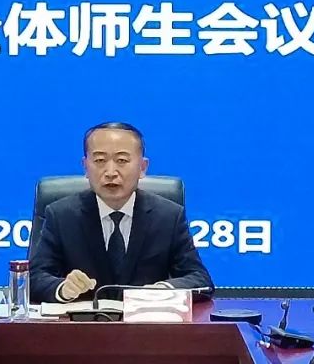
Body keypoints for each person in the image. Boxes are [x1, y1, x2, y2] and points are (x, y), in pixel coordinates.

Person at [28, 121, 214, 303]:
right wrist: (63, 288)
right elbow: (35, 278)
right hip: (83, 322)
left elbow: (200, 280)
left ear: (142, 167)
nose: (110, 172)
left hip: (146, 322)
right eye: (100, 160)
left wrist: (162, 290)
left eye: (122, 161)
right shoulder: (61, 215)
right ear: (85, 166)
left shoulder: (168, 216)